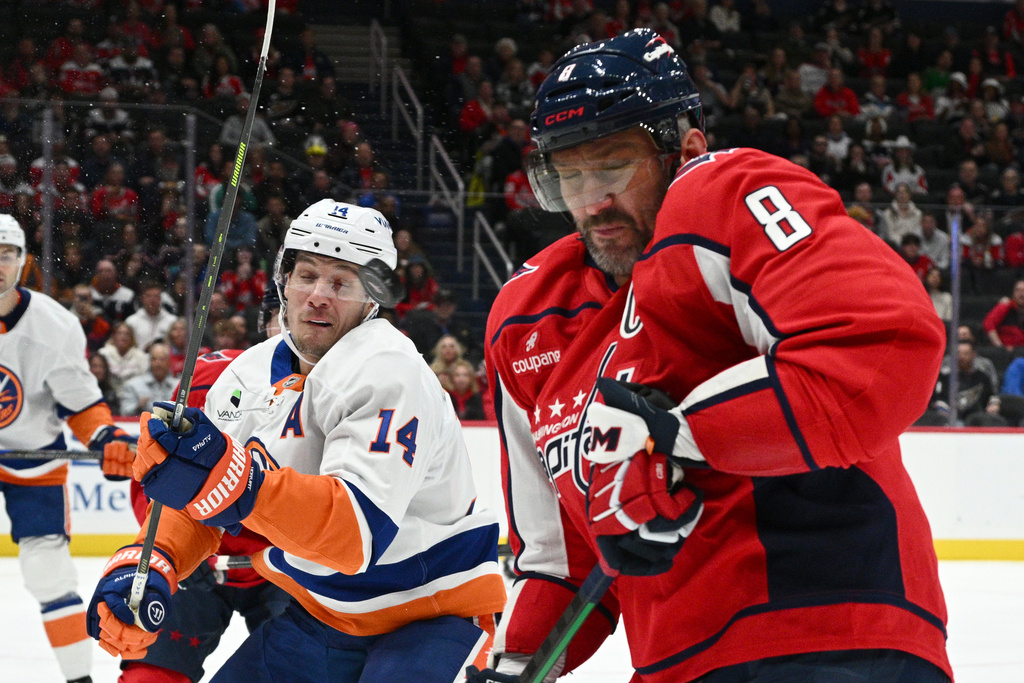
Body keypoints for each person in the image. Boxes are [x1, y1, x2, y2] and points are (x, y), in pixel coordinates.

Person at [475, 29, 950, 683]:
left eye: (612, 164)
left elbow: (877, 343)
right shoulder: (525, 320)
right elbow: (563, 561)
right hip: (675, 664)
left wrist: (677, 433)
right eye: (569, 175)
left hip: (831, 636)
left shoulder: (719, 194)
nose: (591, 202)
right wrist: (515, 660)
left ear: (686, 149)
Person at [86, 200, 506, 681]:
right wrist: (151, 560)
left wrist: (237, 482)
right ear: (283, 280)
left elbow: (355, 535)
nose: (318, 296)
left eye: (341, 282)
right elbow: (199, 505)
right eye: (306, 275)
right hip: (321, 619)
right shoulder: (245, 375)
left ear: (374, 297)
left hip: (431, 616)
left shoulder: (390, 368)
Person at [117, 285, 292, 683]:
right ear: (265, 326)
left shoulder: (348, 397)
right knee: (150, 676)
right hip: (202, 565)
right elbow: (157, 475)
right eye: (283, 318)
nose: (296, 332)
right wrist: (169, 553)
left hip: (289, 572)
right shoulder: (214, 377)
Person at [0, 215, 136, 683]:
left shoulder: (52, 326)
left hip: (32, 462)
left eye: (6, 255)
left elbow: (83, 407)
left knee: (49, 575)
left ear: (23, 261)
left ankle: (79, 680)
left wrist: (109, 438)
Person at [117, 342, 179, 417]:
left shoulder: (178, 387)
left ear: (169, 362)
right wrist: (138, 407)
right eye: (154, 359)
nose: (158, 364)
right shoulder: (132, 385)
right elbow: (123, 414)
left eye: (162, 359)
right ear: (149, 361)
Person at [983, 279, 1024, 350]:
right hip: (1009, 351)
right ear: (1013, 293)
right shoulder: (1005, 306)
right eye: (1018, 290)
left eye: (1023, 291)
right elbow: (988, 324)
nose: (1021, 294)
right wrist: (1000, 347)